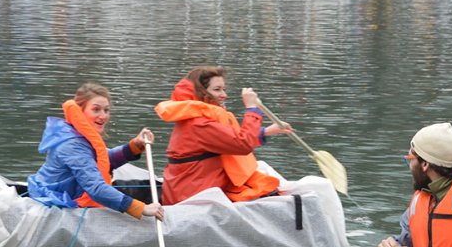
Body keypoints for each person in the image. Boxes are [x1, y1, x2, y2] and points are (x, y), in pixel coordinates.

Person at [27, 82, 165, 222]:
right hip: (51, 202)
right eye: (96, 109)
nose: (103, 116)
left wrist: (135, 145)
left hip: (69, 193)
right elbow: (96, 188)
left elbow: (104, 159)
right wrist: (142, 208)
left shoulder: (79, 136)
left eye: (106, 110)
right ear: (80, 111)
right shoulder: (72, 144)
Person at [154, 66, 291, 205]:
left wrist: (265, 132)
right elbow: (243, 145)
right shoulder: (199, 124)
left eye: (223, 89)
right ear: (199, 92)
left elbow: (227, 140)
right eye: (217, 89)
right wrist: (252, 109)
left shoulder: (198, 118)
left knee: (265, 184)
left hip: (195, 189)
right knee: (266, 188)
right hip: (193, 198)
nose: (224, 95)